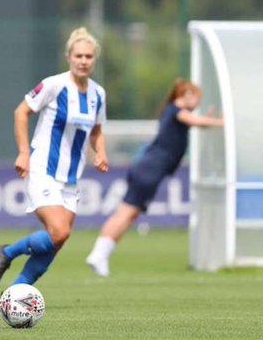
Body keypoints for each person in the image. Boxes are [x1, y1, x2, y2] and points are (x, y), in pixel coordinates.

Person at [0, 27, 109, 287]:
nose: (84, 61)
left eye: (88, 56)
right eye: (79, 56)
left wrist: (101, 151)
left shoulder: (98, 94)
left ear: (94, 59)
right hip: (43, 168)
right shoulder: (54, 85)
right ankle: (7, 253)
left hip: (72, 178)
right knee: (59, 231)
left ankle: (17, 292)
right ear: (69, 57)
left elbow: (97, 130)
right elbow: (21, 112)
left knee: (58, 240)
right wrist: (23, 152)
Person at [86, 79, 223, 277]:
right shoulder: (175, 111)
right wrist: (221, 122)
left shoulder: (174, 113)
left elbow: (196, 123)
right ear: (185, 95)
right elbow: (195, 120)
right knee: (126, 212)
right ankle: (99, 254)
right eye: (196, 98)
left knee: (129, 213)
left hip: (149, 169)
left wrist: (209, 121)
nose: (197, 103)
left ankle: (101, 253)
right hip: (149, 169)